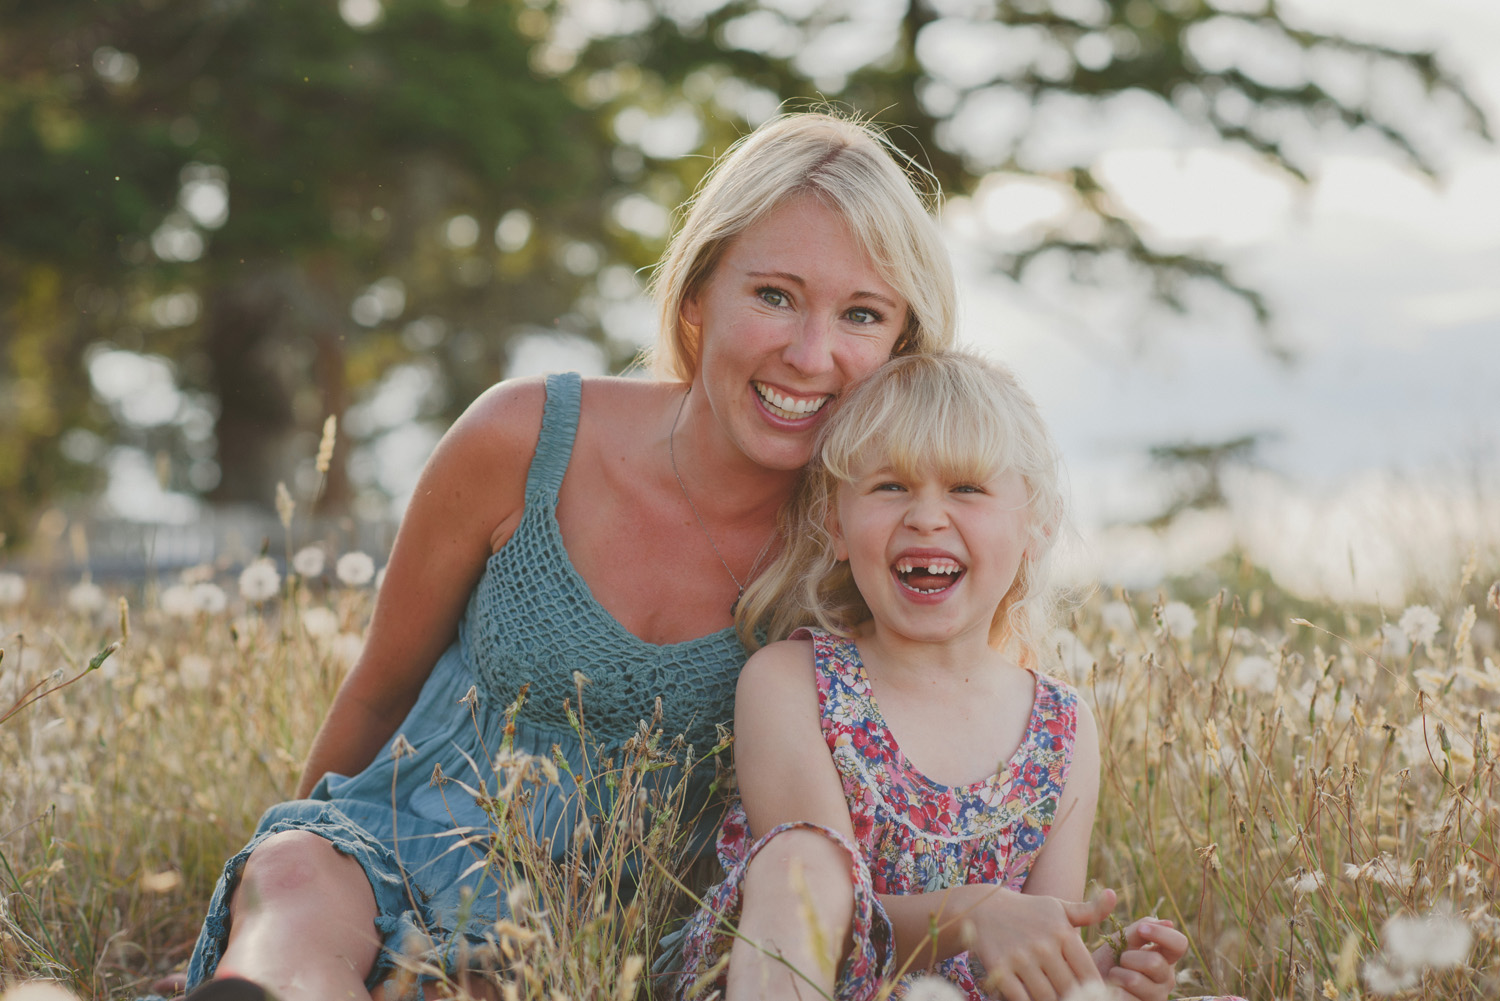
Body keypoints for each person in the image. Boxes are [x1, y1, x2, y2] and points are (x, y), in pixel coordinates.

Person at [159, 111, 958, 1001]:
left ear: (902, 346)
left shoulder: (875, 554)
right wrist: (272, 871)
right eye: (774, 295)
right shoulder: (525, 438)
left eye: (861, 314)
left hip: (602, 948)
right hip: (393, 857)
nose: (810, 354)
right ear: (696, 297)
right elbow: (380, 690)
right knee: (297, 874)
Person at [674, 353, 1249, 1001]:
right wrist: (970, 913)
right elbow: (818, 916)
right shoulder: (794, 683)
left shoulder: (1061, 730)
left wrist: (1097, 975)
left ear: (1037, 526)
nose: (926, 516)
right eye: (890, 486)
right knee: (798, 857)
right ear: (836, 523)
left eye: (967, 489)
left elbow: (1030, 951)